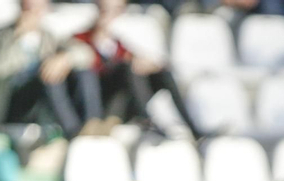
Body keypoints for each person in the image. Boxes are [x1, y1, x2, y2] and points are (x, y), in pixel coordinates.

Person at [74, 0, 201, 139]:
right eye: (106, 10)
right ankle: (145, 119)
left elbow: (132, 59)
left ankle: (193, 128)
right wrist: (99, 36)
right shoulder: (81, 38)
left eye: (117, 10)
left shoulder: (118, 43)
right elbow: (86, 72)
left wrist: (150, 65)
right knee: (129, 68)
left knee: (162, 73)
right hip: (100, 101)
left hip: (123, 102)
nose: (111, 15)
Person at [0, 0, 94, 137]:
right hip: (15, 101)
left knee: (83, 73)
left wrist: (65, 58)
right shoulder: (3, 35)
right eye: (28, 7)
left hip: (42, 100)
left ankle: (92, 123)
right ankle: (73, 130)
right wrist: (18, 34)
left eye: (37, 8)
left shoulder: (48, 37)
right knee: (47, 73)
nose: (33, 12)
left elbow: (86, 55)